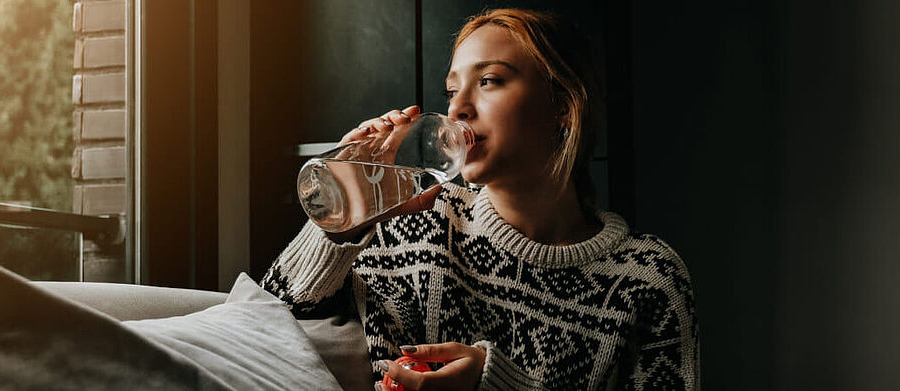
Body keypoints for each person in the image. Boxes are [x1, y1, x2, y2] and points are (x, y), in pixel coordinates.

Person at [263, 8, 698, 391]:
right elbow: (262, 326)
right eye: (453, 91)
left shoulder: (649, 278)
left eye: (489, 80)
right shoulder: (417, 222)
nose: (458, 110)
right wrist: (343, 218)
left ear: (563, 105)